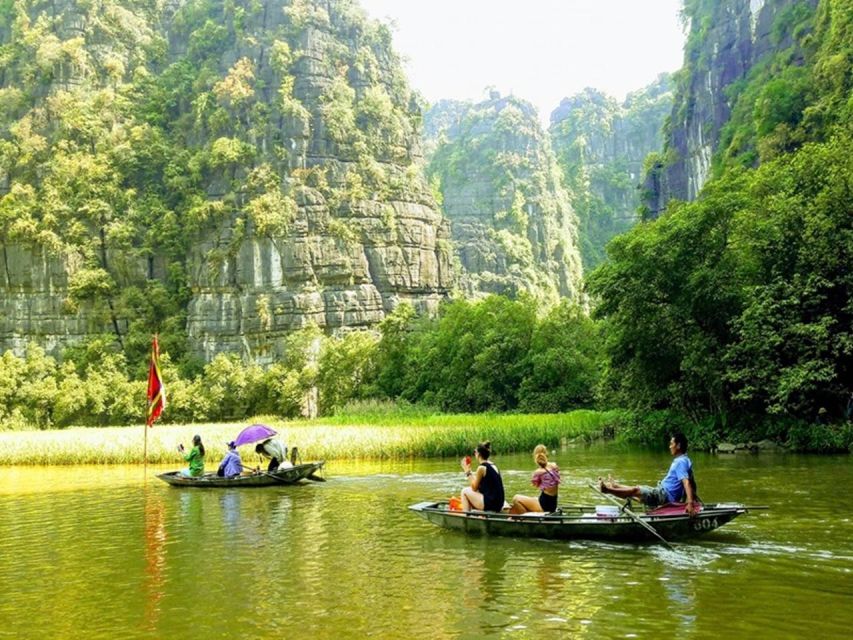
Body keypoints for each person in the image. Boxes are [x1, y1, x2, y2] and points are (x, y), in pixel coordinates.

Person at [599, 432, 698, 516]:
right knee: (636, 493)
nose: (670, 446)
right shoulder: (685, 460)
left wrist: (690, 503)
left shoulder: (680, 462)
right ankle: (616, 486)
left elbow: (686, 483)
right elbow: (691, 483)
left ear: (678, 445)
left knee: (635, 490)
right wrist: (694, 500)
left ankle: (607, 490)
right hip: (661, 493)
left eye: (671, 443)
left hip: (663, 495)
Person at [509, 444, 561, 514]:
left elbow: (535, 485)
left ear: (535, 456)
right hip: (553, 504)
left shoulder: (538, 472)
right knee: (534, 498)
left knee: (516, 498)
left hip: (544, 505)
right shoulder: (554, 465)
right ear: (546, 454)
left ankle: (526, 520)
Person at [460, 441, 505, 512]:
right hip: (499, 504)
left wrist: (467, 472)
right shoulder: (493, 465)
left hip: (491, 504)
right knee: (471, 490)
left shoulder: (481, 468)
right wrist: (469, 471)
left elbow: (474, 488)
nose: (474, 454)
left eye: (475, 452)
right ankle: (472, 513)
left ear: (478, 454)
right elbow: (478, 485)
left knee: (464, 491)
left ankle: (465, 516)